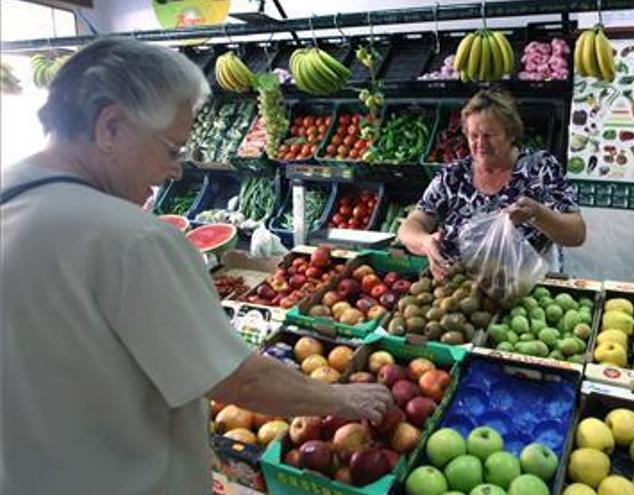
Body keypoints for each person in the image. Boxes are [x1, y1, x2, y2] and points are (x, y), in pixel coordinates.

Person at [0, 38, 392, 495]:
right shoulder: (132, 239)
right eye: (172, 150)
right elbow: (238, 379)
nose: (176, 173)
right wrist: (343, 398)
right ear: (110, 127)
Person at [399, 89, 586, 279]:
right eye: (473, 135)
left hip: (523, 287)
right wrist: (425, 241)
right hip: (460, 287)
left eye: (489, 135)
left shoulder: (539, 168)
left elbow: (576, 233)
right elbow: (411, 225)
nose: (480, 143)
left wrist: (537, 213)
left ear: (511, 134)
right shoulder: (453, 176)